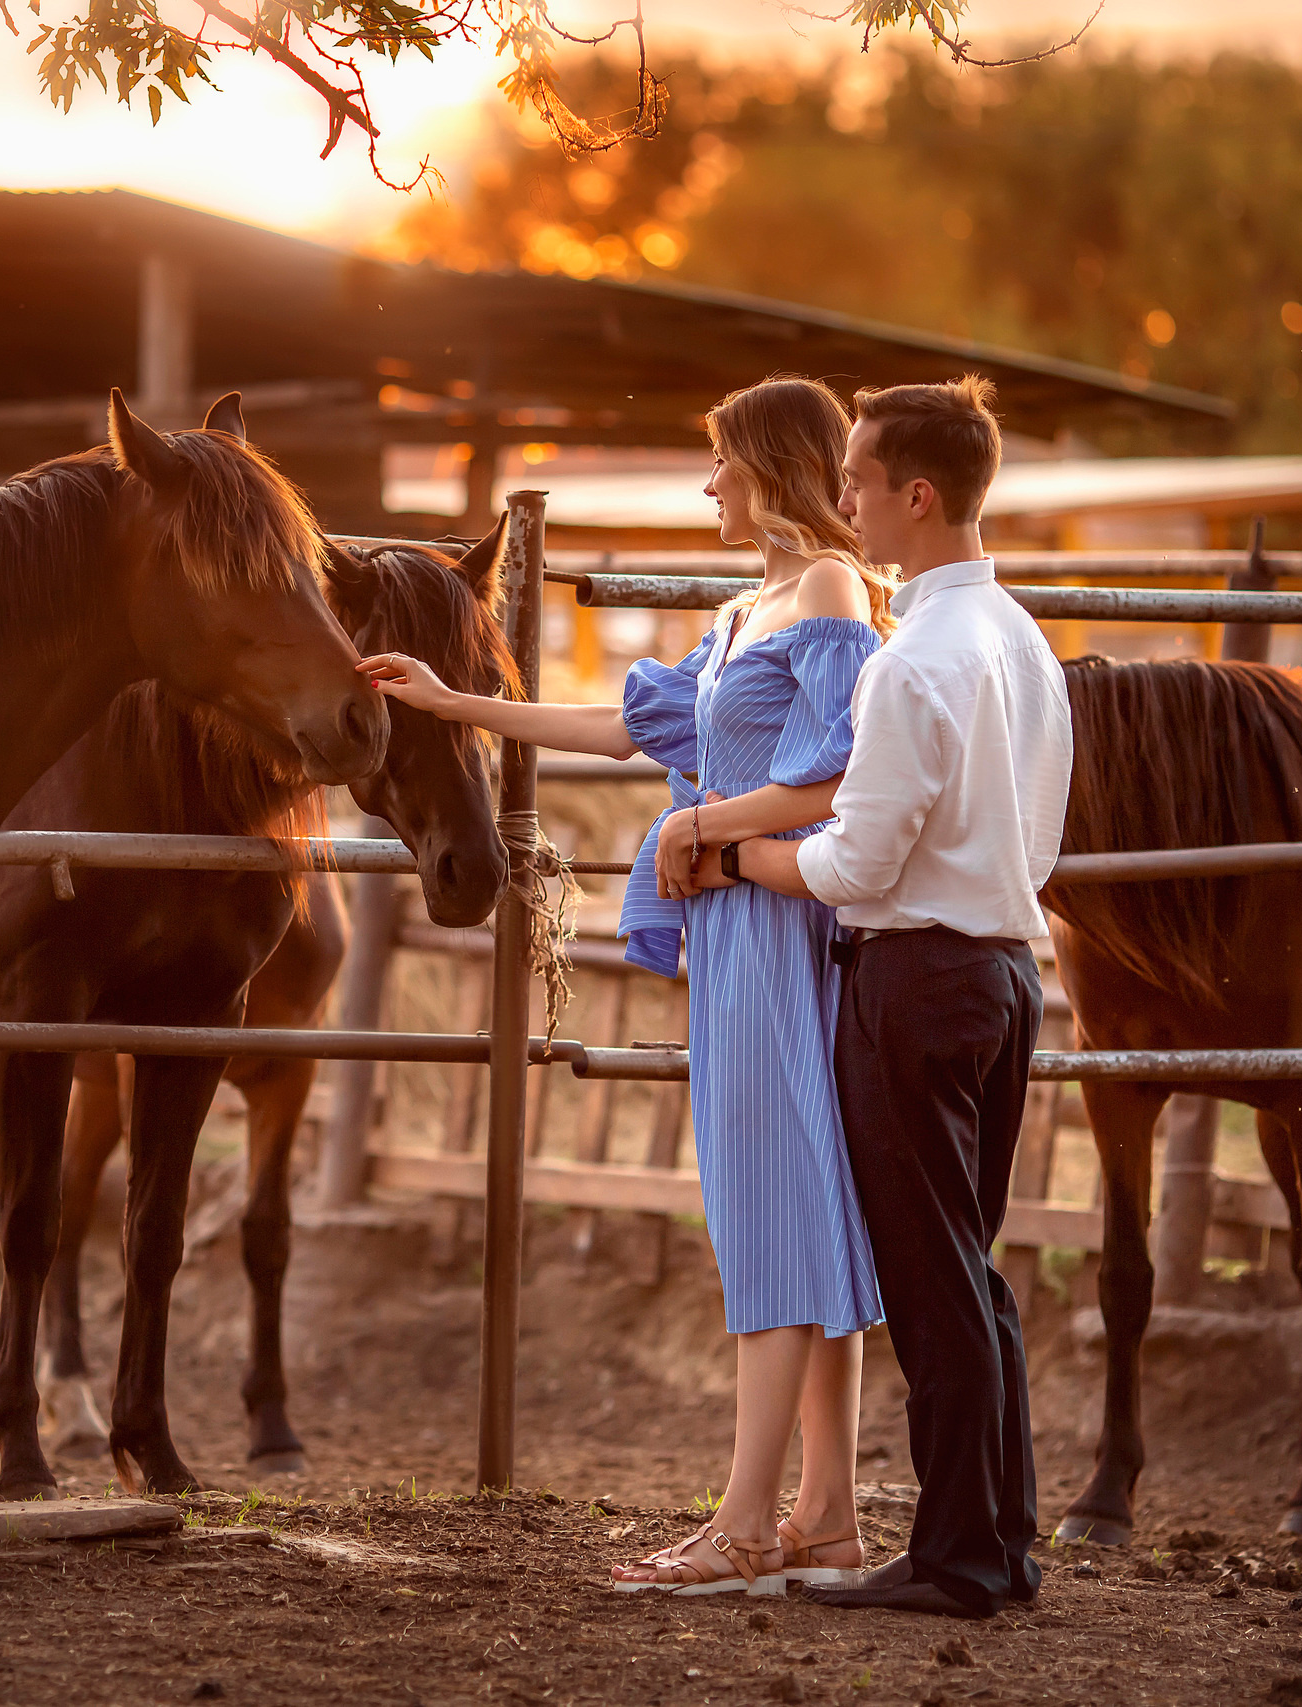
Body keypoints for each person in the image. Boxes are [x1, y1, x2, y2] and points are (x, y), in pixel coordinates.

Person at [360, 376, 890, 1596]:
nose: (708, 486)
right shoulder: (746, 606)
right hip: (738, 928)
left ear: (769, 466)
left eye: (720, 463)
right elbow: (621, 732)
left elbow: (838, 782)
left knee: (772, 1211)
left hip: (778, 923)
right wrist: (453, 705)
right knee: (792, 1209)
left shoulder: (824, 591)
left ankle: (749, 1526)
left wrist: (698, 826)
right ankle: (827, 1521)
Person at [717, 375, 1072, 1619]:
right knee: (970, 1272)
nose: (845, 501)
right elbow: (1036, 832)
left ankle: (958, 1559)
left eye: (861, 482)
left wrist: (740, 856)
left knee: (931, 1279)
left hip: (916, 978)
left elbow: (853, 862)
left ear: (916, 496)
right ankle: (996, 1541)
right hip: (999, 973)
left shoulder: (915, 658)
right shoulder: (1018, 640)